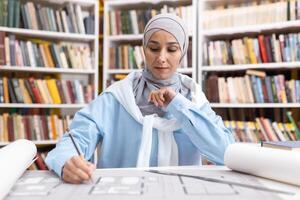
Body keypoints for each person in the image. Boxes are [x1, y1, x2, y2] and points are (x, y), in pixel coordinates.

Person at [45, 13, 234, 184]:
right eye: (153, 48)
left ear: (182, 52)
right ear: (143, 49)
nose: (161, 57)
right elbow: (75, 139)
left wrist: (177, 104)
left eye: (172, 49)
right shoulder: (116, 97)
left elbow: (226, 152)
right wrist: (66, 162)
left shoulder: (194, 99)